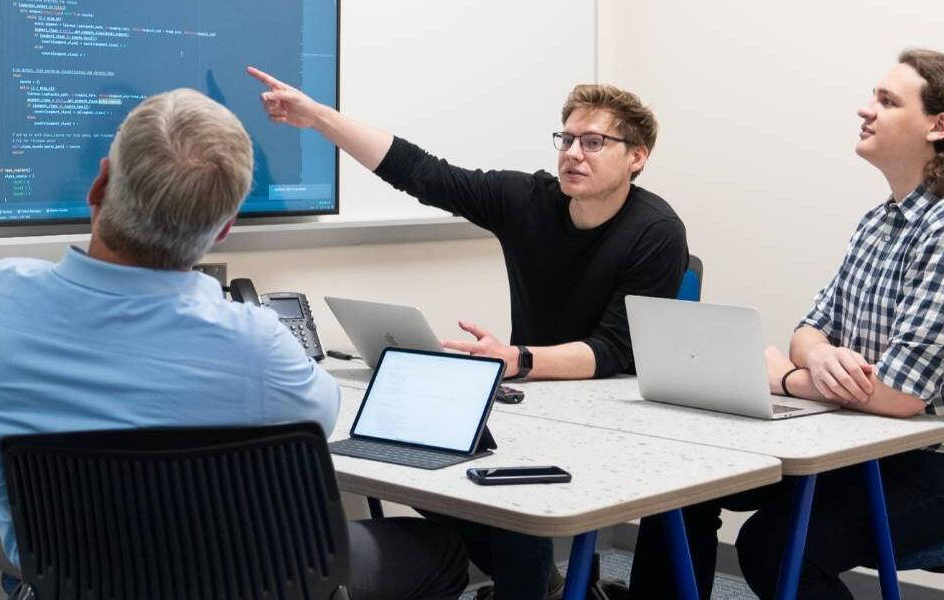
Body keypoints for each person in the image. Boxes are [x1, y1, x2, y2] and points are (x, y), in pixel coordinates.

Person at [0, 88, 471, 600]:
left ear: (99, 185)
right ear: (224, 228)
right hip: (236, 586)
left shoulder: (0, 295)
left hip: (65, 582)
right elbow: (323, 418)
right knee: (441, 549)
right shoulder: (258, 347)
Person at [247, 67, 689, 598]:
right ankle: (536, 581)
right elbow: (419, 171)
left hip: (614, 412)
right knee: (428, 464)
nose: (574, 153)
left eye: (594, 142)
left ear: (636, 156)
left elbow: (616, 350)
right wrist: (317, 117)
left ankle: (535, 581)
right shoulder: (525, 199)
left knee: (494, 509)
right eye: (567, 139)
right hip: (531, 398)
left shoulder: (657, 231)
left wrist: (518, 357)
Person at [628, 49, 944, 600]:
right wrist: (820, 356)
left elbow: (900, 394)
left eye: (886, 101)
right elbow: (809, 330)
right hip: (873, 440)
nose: (865, 110)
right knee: (684, 485)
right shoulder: (880, 221)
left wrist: (784, 378)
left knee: (777, 548)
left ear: (939, 125)